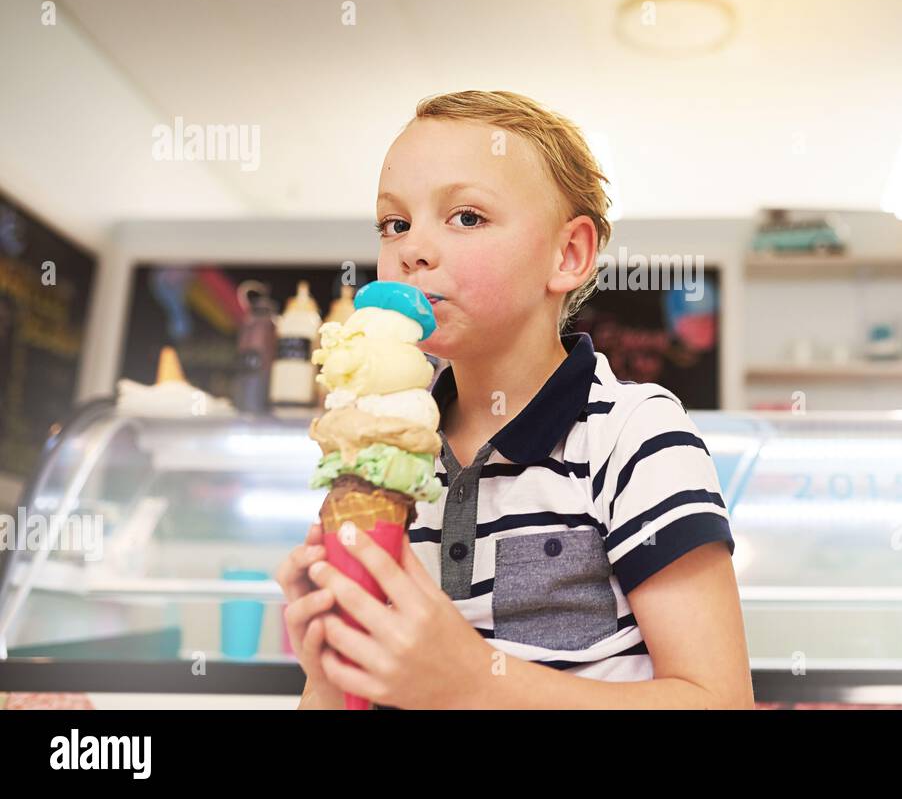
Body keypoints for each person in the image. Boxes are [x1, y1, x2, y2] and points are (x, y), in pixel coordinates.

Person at [275, 90, 752, 708]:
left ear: (567, 254)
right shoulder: (386, 450)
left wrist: (474, 683)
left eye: (466, 217)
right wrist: (329, 674)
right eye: (395, 224)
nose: (411, 249)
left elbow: (718, 700)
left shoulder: (632, 434)